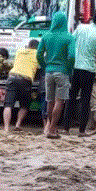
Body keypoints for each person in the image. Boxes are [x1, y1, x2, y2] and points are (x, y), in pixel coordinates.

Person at [67, 8, 96, 136]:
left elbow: (71, 42)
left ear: (93, 17)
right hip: (89, 70)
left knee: (71, 97)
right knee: (85, 100)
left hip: (75, 67)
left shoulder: (80, 28)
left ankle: (66, 128)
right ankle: (81, 130)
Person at [36, 11, 75, 139]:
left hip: (48, 72)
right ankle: (53, 129)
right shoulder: (69, 37)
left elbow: (39, 55)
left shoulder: (46, 36)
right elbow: (72, 56)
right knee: (60, 101)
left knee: (50, 101)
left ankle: (47, 126)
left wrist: (45, 66)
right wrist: (68, 69)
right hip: (62, 72)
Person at [3, 39, 39, 132]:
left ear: (28, 45)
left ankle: (6, 128)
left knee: (8, 105)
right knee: (24, 105)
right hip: (25, 80)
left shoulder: (19, 51)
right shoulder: (37, 54)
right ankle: (18, 124)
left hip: (12, 77)